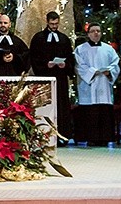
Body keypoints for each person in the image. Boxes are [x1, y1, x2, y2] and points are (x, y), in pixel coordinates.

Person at [29, 11, 75, 145]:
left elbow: (70, 57)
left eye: (56, 24)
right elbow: (34, 57)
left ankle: (63, 136)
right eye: (52, 24)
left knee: (61, 107)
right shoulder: (38, 38)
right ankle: (44, 135)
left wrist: (65, 64)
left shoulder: (64, 39)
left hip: (60, 79)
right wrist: (45, 65)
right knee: (46, 105)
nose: (54, 26)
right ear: (47, 22)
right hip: (45, 78)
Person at [74, 23, 121, 146]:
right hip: (88, 85)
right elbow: (79, 65)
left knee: (104, 110)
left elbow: (115, 63)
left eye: (98, 31)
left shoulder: (108, 49)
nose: (96, 33)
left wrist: (109, 71)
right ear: (88, 34)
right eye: (93, 31)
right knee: (90, 111)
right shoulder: (81, 49)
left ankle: (104, 138)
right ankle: (90, 138)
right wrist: (93, 72)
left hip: (104, 84)